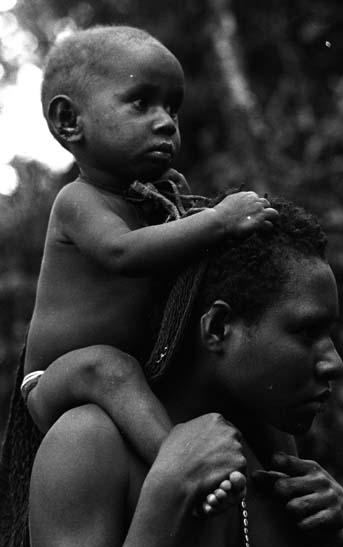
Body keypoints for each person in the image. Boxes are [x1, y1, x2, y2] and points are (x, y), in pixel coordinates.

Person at [28, 201, 343, 547]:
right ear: (218, 327)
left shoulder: (269, 443)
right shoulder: (89, 444)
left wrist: (327, 542)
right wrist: (169, 492)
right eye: (306, 332)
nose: (333, 362)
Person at [23, 24, 278, 512]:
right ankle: (181, 463)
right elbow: (124, 253)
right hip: (56, 378)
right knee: (109, 366)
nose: (166, 122)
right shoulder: (79, 201)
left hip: (137, 375)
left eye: (173, 108)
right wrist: (219, 221)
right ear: (69, 121)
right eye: (141, 103)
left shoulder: (159, 201)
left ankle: (272, 471)